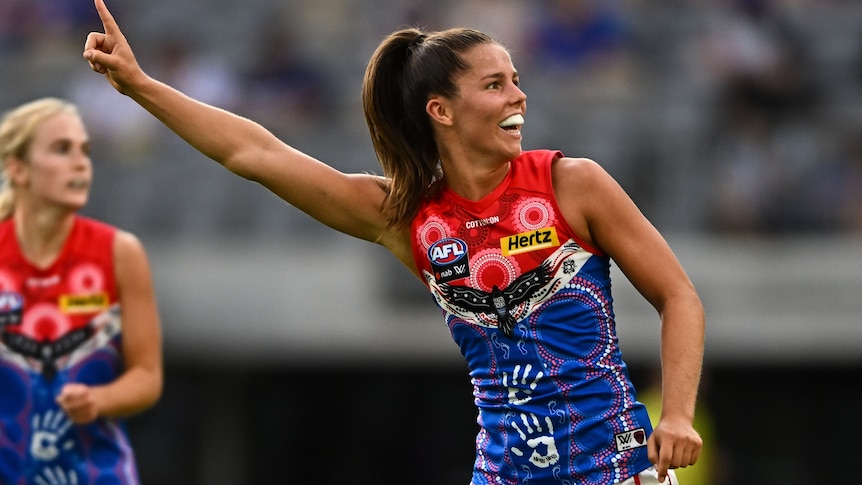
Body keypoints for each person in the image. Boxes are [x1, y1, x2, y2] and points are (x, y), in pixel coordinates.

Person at [82, 0, 705, 482]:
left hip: (616, 472)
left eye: (515, 79)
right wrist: (141, 86)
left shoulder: (575, 184)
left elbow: (678, 296)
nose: (518, 95)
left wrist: (677, 412)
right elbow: (256, 153)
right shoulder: (406, 218)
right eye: (494, 84)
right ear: (442, 111)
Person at [0, 97, 163, 484]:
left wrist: (99, 400)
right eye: (62, 149)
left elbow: (147, 376)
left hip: (96, 473)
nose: (81, 163)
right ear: (18, 169)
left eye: (85, 151)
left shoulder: (120, 252)